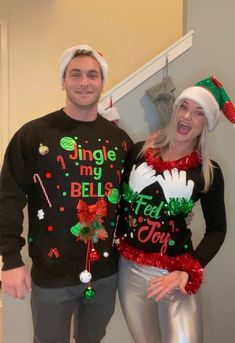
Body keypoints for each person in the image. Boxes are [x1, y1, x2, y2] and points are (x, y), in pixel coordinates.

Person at [0, 44, 133, 343]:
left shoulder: (120, 142)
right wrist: (10, 258)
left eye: (92, 75)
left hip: (104, 274)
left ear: (102, 82)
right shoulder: (34, 135)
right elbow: (8, 196)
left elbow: (132, 200)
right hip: (51, 275)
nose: (84, 82)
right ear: (63, 81)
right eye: (75, 74)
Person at [116, 76, 235, 343]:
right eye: (184, 107)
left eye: (198, 112)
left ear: (207, 123)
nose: (187, 117)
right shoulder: (138, 153)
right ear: (175, 110)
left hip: (175, 273)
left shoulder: (208, 172)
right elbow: (119, 206)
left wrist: (189, 269)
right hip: (130, 271)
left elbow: (217, 230)